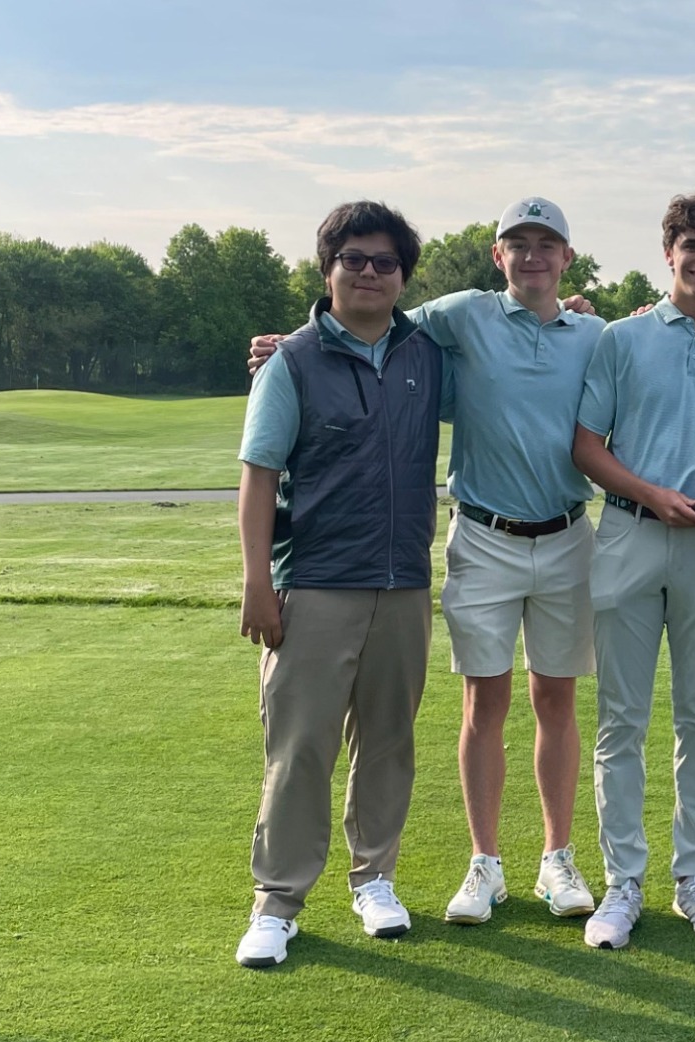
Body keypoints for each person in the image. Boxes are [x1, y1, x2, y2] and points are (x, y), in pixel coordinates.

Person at [249, 198, 606, 927]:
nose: (532, 256)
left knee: (538, 705)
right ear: (496, 254)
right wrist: (289, 344)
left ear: (566, 257)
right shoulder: (459, 316)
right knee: (473, 707)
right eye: (518, 243)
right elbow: (352, 332)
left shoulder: (591, 336)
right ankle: (476, 865)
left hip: (556, 537)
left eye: (548, 245)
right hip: (474, 537)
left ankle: (552, 858)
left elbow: (649, 359)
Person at [232, 200, 442, 968]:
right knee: (299, 749)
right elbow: (258, 477)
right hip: (315, 582)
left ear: (401, 276)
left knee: (388, 745)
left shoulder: (426, 354)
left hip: (404, 584)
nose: (369, 273)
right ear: (328, 269)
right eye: (353, 259)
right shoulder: (290, 361)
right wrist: (257, 581)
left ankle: (374, 879)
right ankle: (277, 902)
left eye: (384, 262)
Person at [571, 191, 695, 949]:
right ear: (669, 252)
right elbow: (588, 445)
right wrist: (650, 494)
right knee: (621, 720)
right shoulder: (621, 341)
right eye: (691, 244)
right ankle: (624, 882)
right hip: (628, 536)